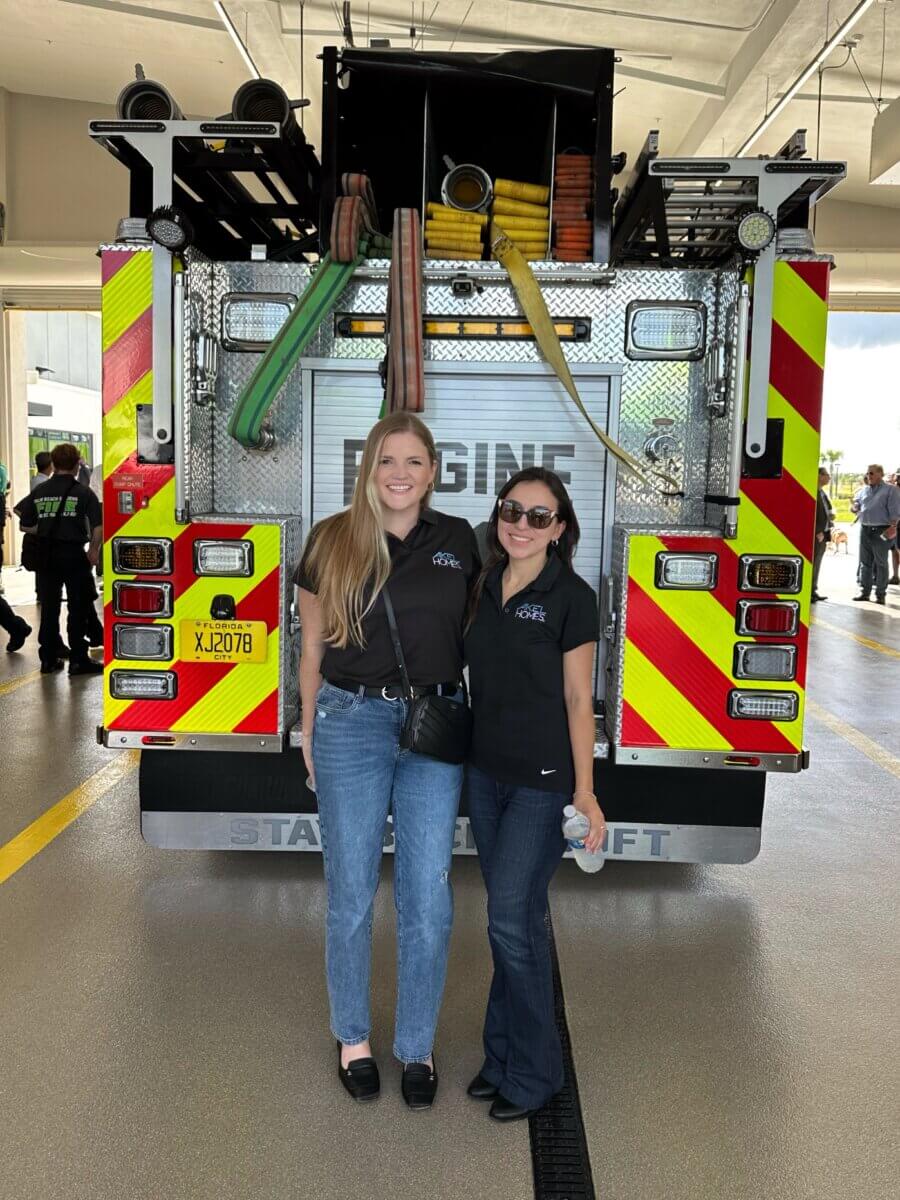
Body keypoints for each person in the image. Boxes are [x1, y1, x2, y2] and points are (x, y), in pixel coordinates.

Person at [295, 411, 479, 1109]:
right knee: (349, 891)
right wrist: (310, 729)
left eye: (413, 462)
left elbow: (475, 634)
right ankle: (352, 1038)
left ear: (433, 472)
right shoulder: (331, 541)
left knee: (428, 898)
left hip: (432, 727)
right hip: (349, 721)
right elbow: (312, 649)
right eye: (386, 461)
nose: (399, 474)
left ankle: (417, 1045)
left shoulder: (458, 540)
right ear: (367, 469)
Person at [463, 467, 604, 1122]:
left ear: (560, 528)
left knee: (506, 919)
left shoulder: (571, 595)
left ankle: (538, 1069)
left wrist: (586, 791)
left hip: (542, 785)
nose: (520, 524)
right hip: (484, 775)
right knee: (514, 920)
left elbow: (580, 699)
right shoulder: (484, 582)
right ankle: (501, 1057)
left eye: (538, 516)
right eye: (511, 510)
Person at [15, 442, 104, 675]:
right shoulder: (83, 492)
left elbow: (24, 523)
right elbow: (97, 525)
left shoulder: (39, 492)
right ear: (76, 465)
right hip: (74, 556)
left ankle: (48, 658)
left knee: (50, 608)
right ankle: (78, 659)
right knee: (78, 607)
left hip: (47, 556)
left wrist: (46, 529)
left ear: (54, 465)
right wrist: (93, 551)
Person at [851, 464, 900, 605]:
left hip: (882, 530)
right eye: (867, 473)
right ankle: (865, 592)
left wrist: (893, 527)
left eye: (871, 473)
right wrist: (854, 507)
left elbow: (895, 511)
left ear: (880, 474)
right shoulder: (863, 490)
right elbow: (857, 503)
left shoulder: (891, 490)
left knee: (881, 563)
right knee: (865, 563)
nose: (868, 476)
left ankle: (880, 594)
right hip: (865, 529)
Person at [811, 467, 833, 602]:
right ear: (818, 475)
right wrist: (817, 530)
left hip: (824, 533)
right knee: (813, 563)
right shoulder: (813, 492)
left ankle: (813, 590)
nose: (829, 477)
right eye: (826, 475)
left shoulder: (822, 493)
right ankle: (810, 592)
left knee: (817, 564)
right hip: (817, 534)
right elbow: (812, 513)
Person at [889, 470, 900, 587]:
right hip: (894, 525)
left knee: (896, 551)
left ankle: (896, 575)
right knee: (894, 551)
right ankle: (896, 575)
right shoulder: (893, 490)